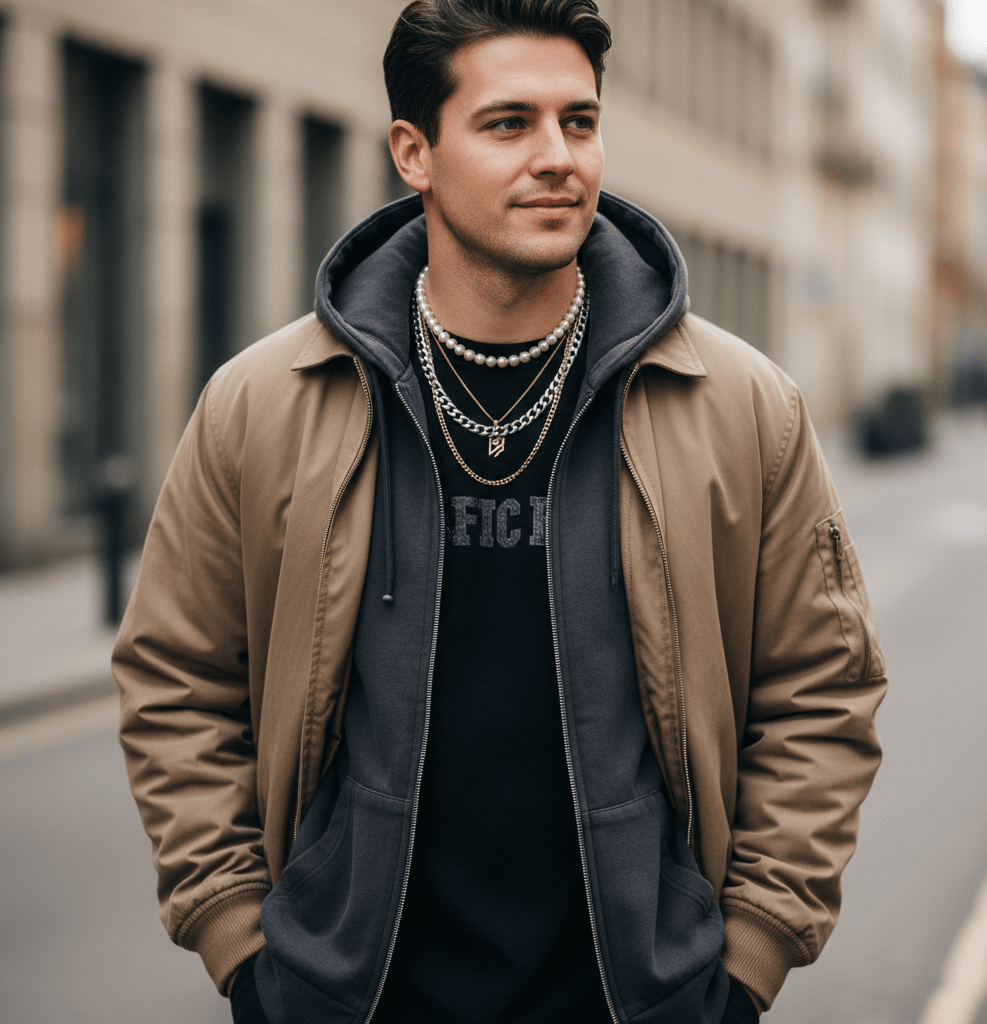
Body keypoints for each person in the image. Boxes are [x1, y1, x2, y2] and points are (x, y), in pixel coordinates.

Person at [114, 2, 888, 1022]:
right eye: (509, 123)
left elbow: (822, 691)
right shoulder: (261, 404)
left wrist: (747, 962)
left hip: (637, 998)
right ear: (414, 153)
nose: (557, 156)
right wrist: (241, 943)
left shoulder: (743, 407)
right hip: (353, 995)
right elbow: (177, 681)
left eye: (579, 120)